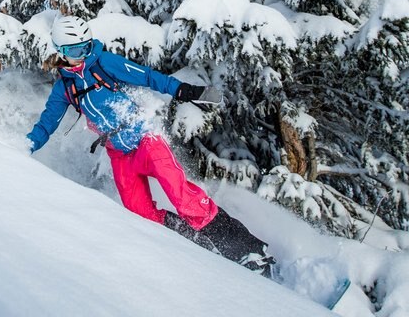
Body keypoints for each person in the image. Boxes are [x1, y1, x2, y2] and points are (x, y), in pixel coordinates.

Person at [26, 15, 274, 276]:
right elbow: (46, 124)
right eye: (77, 50)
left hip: (145, 140)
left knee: (183, 198)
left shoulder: (104, 63)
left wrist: (185, 91)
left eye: (87, 46)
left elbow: (147, 77)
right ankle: (194, 242)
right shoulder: (65, 88)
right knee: (140, 214)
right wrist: (23, 148)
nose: (84, 53)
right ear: (61, 51)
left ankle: (247, 249)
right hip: (119, 155)